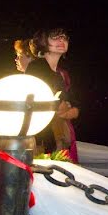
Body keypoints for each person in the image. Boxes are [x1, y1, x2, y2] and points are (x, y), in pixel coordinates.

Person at [28, 28, 81, 161]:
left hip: (61, 131)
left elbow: (75, 101)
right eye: (55, 37)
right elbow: (39, 97)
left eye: (64, 37)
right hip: (43, 133)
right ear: (43, 41)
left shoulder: (63, 72)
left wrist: (74, 110)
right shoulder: (36, 67)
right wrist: (64, 106)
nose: (61, 40)